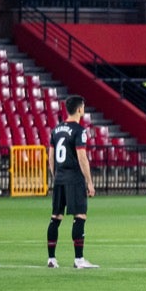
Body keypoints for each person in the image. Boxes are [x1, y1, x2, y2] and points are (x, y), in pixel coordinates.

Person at [47, 95, 99, 269]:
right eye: (83, 107)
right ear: (79, 109)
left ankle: (52, 259)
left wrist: (56, 176)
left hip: (60, 177)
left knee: (55, 217)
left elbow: (51, 157)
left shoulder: (56, 130)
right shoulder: (79, 130)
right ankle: (79, 260)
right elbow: (82, 157)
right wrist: (89, 182)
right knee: (80, 216)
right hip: (74, 178)